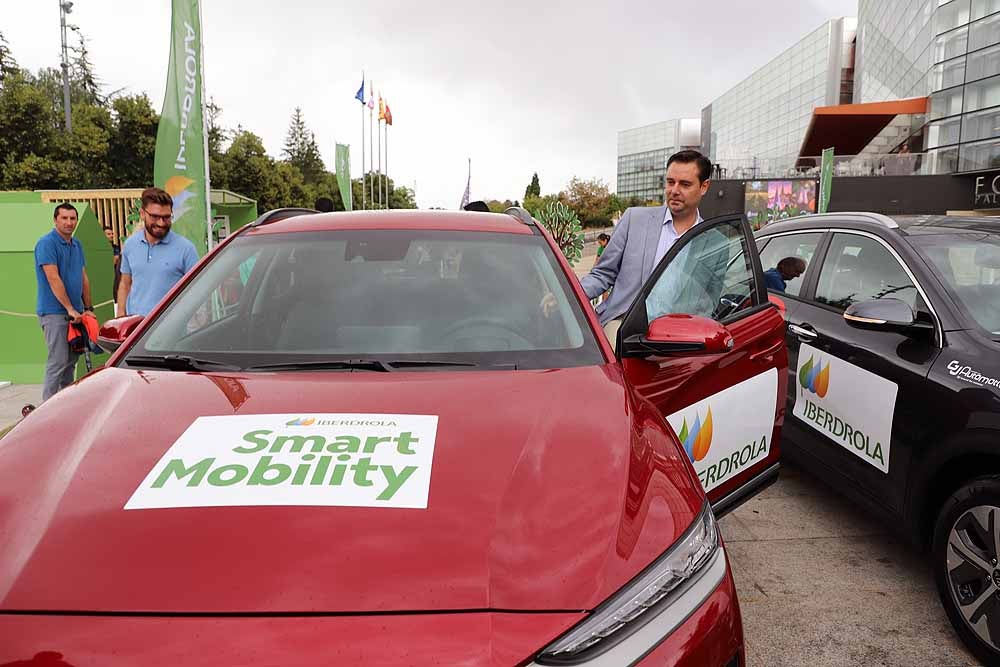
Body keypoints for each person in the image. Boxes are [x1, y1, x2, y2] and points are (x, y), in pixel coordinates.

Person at [575, 149, 712, 340]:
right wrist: (568, 297)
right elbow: (602, 274)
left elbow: (706, 305)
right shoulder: (634, 220)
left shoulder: (712, 241)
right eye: (670, 182)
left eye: (685, 184)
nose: (674, 190)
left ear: (704, 187)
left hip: (676, 339)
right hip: (623, 325)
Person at [35, 202, 93, 401]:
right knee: (58, 360)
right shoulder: (46, 243)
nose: (69, 222)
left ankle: (67, 404)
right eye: (64, 218)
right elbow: (53, 277)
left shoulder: (77, 244)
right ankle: (46, 407)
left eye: (72, 218)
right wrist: (69, 308)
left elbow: (83, 276)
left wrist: (88, 308)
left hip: (76, 313)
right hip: (54, 312)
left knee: (70, 362)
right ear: (55, 220)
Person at [117, 187, 199, 317]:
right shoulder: (130, 245)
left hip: (171, 329)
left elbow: (197, 291)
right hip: (136, 328)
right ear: (142, 213)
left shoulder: (186, 249)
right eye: (155, 216)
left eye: (166, 217)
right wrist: (121, 315)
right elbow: (125, 283)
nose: (161, 223)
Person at [104, 227, 122, 310]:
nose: (111, 236)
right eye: (108, 234)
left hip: (116, 275)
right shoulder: (102, 249)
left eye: (112, 234)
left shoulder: (116, 247)